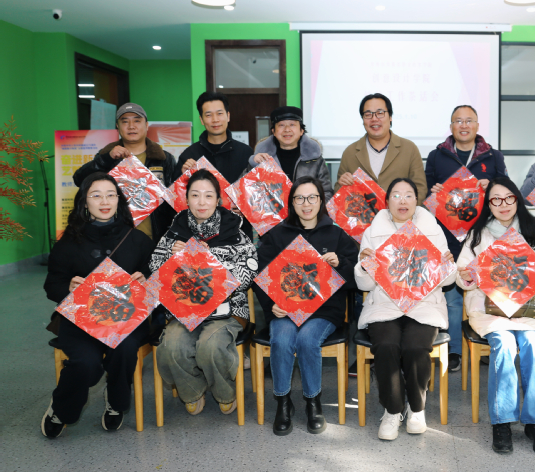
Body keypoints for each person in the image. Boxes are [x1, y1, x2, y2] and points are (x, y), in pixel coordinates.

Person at [42, 173, 155, 437]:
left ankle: (116, 402)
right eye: (96, 195)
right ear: (84, 202)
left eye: (110, 195)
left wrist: (145, 280)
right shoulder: (69, 242)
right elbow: (52, 285)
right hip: (81, 320)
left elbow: (155, 278)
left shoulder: (137, 239)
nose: (104, 201)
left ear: (119, 200)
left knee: (125, 349)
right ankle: (61, 409)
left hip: (125, 319)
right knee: (86, 362)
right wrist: (68, 287)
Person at [456, 176, 535, 456]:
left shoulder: (532, 230)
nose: (503, 204)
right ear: (488, 204)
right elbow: (462, 275)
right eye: (496, 199)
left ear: (517, 199)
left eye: (509, 198)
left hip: (528, 310)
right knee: (503, 345)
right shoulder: (477, 235)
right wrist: (467, 276)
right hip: (490, 310)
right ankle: (502, 422)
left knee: (533, 345)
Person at [254, 176, 359, 435]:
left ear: (321, 201)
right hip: (285, 309)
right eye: (299, 198)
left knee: (307, 340)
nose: (306, 203)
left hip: (324, 311)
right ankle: (283, 402)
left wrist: (340, 263)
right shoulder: (277, 235)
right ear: (292, 203)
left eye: (312, 197)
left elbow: (356, 277)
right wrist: (271, 305)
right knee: (281, 340)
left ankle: (313, 402)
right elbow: (260, 276)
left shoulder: (336, 234)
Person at [355, 178, 455, 440]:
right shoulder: (373, 231)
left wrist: (447, 266)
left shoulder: (432, 230)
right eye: (396, 195)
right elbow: (364, 284)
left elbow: (447, 282)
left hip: (424, 304)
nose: (402, 200)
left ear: (417, 201)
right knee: (386, 344)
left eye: (408, 195)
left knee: (415, 346)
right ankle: (392, 409)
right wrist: (364, 266)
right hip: (385, 303)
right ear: (387, 201)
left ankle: (417, 408)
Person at [151, 169, 258, 416]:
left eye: (208, 196)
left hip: (227, 310)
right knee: (172, 345)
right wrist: (173, 258)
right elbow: (155, 269)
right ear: (186, 199)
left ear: (218, 200)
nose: (202, 202)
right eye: (195, 195)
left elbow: (250, 270)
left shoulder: (234, 229)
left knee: (211, 344)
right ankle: (192, 391)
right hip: (184, 310)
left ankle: (224, 392)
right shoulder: (175, 230)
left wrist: (209, 260)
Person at [425, 104, 508, 373]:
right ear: (451, 126)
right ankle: (454, 350)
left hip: (484, 234)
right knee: (452, 297)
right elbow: (425, 196)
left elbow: (507, 191)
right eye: (458, 121)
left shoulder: (493, 156)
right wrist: (433, 192)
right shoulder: (436, 156)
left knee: (487, 289)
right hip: (448, 234)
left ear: (477, 126)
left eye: (469, 120)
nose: (464, 125)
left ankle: (488, 342)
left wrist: (492, 186)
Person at [73, 103, 177, 240]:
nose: (131, 126)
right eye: (125, 121)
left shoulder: (164, 159)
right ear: (118, 126)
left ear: (146, 125)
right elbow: (79, 179)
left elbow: (174, 200)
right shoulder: (107, 156)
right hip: (117, 238)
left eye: (137, 121)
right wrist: (106, 159)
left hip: (157, 237)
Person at [335, 93, 427, 196]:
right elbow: (337, 192)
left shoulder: (409, 149)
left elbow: (420, 188)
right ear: (363, 119)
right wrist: (342, 184)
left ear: (390, 117)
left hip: (400, 207)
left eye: (380, 113)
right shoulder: (350, 152)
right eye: (368, 114)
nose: (374, 119)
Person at [249, 106, 333, 202]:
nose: (287, 129)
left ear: (301, 131)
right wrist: (254, 163)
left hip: (307, 210)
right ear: (273, 132)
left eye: (292, 124)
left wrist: (311, 209)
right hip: (271, 211)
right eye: (281, 125)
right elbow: (246, 192)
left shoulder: (315, 160)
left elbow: (327, 193)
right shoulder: (261, 158)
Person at [175, 92, 254, 185]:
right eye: (209, 115)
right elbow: (175, 192)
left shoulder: (246, 153)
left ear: (228, 116)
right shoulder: (189, 155)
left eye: (219, 113)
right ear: (201, 120)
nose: (215, 120)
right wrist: (183, 177)